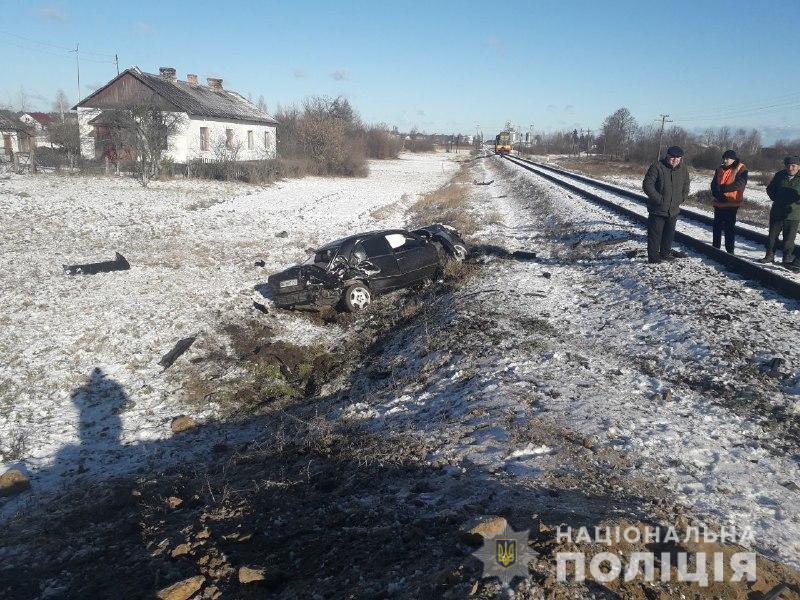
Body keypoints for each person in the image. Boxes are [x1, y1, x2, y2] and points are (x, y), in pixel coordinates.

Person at [642, 146, 690, 263]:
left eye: (678, 158)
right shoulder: (657, 166)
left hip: (673, 209)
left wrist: (681, 198)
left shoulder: (683, 168)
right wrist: (659, 200)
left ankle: (665, 253)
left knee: (669, 234)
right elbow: (647, 185)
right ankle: (653, 258)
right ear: (667, 156)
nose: (675, 160)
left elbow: (686, 184)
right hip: (657, 209)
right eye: (672, 157)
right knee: (655, 235)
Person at [760, 155, 800, 268]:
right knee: (772, 236)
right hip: (777, 211)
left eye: (793, 165)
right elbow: (770, 189)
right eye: (788, 165)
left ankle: (786, 258)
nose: (790, 168)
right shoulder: (780, 175)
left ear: (798, 166)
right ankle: (769, 255)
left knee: (789, 239)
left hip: (794, 214)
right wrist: (776, 199)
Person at [710, 150, 748, 254]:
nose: (725, 160)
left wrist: (723, 189)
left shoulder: (741, 168)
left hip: (732, 202)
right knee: (717, 226)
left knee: (729, 228)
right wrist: (716, 193)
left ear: (734, 159)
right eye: (724, 158)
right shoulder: (719, 168)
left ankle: (730, 251)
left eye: (728, 158)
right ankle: (715, 248)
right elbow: (714, 183)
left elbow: (740, 184)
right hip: (719, 201)